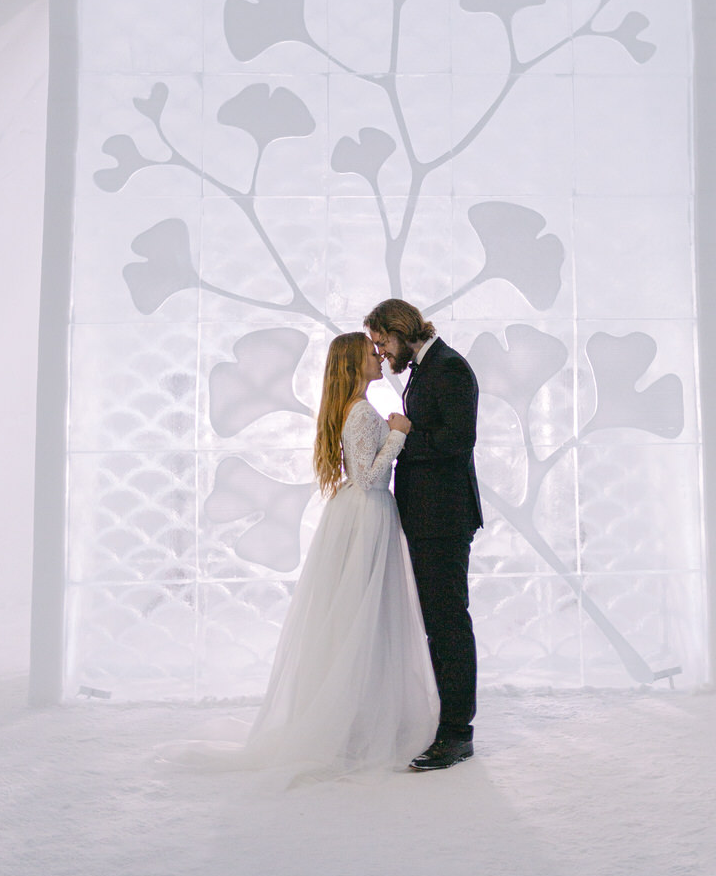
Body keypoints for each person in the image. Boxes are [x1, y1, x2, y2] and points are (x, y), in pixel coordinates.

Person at [165, 331, 438, 779]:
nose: (378, 356)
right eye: (370, 353)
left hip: (362, 513)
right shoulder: (361, 412)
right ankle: (357, 723)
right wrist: (398, 434)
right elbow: (368, 478)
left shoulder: (353, 408)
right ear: (352, 364)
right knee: (363, 615)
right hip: (366, 513)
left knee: (359, 615)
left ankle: (357, 717)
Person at [364, 299, 483, 771]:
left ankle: (457, 734)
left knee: (448, 623)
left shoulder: (449, 368)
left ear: (400, 329)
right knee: (439, 621)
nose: (381, 352)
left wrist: (399, 441)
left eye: (382, 342)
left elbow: (458, 439)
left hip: (443, 519)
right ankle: (448, 725)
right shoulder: (426, 366)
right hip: (427, 518)